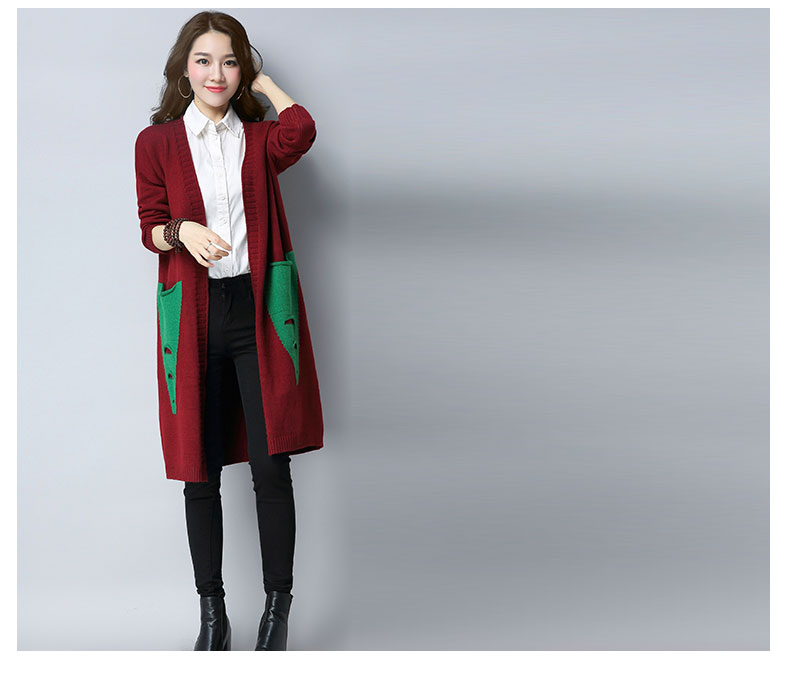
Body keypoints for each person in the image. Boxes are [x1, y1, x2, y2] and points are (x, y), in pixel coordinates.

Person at [134, 10, 325, 651]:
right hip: (194, 315)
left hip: (258, 310)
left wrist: (264, 84)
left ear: (243, 70)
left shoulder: (260, 140)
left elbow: (301, 129)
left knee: (272, 466)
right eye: (204, 60)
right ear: (184, 70)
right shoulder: (156, 143)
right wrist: (181, 230)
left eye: (230, 61)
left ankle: (277, 612)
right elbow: (150, 227)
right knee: (200, 471)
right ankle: (212, 617)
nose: (216, 73)